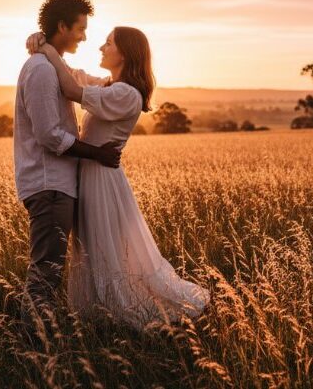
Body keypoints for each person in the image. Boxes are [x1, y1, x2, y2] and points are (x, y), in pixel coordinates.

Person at [26, 26, 209, 328]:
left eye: (108, 43)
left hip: (101, 180)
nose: (101, 47)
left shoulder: (126, 94)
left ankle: (123, 314)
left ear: (123, 53)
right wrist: (43, 45)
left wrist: (47, 52)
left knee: (104, 247)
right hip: (91, 174)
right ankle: (101, 316)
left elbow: (72, 90)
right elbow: (75, 76)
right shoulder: (112, 86)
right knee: (94, 247)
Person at [14, 0, 122, 331]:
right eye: (80, 28)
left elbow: (82, 81)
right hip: (49, 185)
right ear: (62, 26)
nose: (85, 36)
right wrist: (98, 154)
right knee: (46, 271)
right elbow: (49, 135)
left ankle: (33, 334)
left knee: (50, 268)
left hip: (58, 185)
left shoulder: (53, 66)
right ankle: (31, 344)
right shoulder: (42, 71)